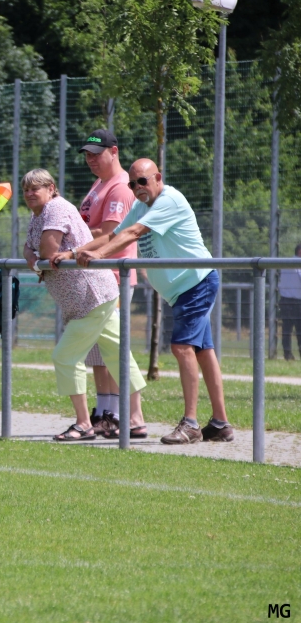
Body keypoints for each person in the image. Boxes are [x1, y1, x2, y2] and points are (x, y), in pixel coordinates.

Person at [61, 158, 234, 444]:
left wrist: (99, 255)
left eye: (142, 181)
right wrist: (73, 253)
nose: (137, 188)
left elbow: (132, 233)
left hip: (195, 282)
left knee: (182, 348)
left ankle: (191, 424)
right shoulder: (141, 206)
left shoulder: (168, 200)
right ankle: (220, 423)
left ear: (158, 178)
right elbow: (113, 234)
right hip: (182, 289)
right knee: (203, 351)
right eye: (132, 184)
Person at [22, 169, 147, 441]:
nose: (29, 193)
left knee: (65, 356)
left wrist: (37, 261)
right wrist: (34, 259)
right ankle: (136, 421)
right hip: (91, 296)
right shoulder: (37, 214)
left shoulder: (55, 208)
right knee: (117, 353)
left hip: (91, 296)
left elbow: (46, 251)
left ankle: (83, 424)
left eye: (35, 188)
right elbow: (29, 249)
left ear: (51, 188)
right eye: (26, 189)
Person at [77, 129, 139, 437]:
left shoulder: (120, 187)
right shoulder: (99, 184)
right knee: (98, 351)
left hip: (114, 276)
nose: (90, 159)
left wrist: (71, 241)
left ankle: (116, 414)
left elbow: (108, 233)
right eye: (87, 155)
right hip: (97, 277)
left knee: (112, 348)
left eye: (96, 154)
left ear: (114, 152)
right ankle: (103, 410)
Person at [278, 244, 301, 361]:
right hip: (297, 302)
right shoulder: (298, 264)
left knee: (286, 329)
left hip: (285, 300)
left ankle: (287, 354)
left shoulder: (285, 263)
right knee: (299, 330)